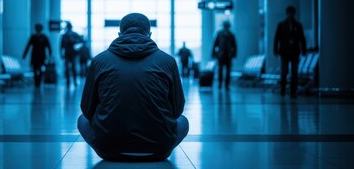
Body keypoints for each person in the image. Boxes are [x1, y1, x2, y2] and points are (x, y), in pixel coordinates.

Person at [78, 13, 188, 162]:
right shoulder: (168, 61)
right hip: (158, 149)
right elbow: (177, 111)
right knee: (183, 122)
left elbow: (87, 111)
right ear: (149, 34)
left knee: (81, 121)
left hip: (109, 149)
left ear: (119, 34)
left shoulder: (99, 61)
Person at [274, 5, 307, 98]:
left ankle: (293, 91)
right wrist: (275, 50)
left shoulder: (298, 25)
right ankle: (283, 90)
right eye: (289, 13)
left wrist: (304, 50)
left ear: (294, 14)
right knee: (284, 71)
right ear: (287, 13)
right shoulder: (281, 25)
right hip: (284, 51)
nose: (291, 15)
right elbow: (277, 38)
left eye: (292, 13)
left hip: (295, 52)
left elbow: (302, 38)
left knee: (294, 72)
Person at [23, 23, 52, 88]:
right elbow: (28, 46)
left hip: (42, 56)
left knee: (41, 69)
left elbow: (49, 47)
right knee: (35, 69)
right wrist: (24, 55)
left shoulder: (44, 37)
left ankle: (39, 81)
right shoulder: (33, 37)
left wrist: (49, 55)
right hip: (34, 56)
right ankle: (37, 82)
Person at [212, 20, 237, 90]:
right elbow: (215, 44)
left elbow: (234, 46)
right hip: (221, 56)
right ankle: (220, 84)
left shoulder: (231, 35)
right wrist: (214, 54)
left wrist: (233, 54)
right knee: (220, 70)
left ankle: (227, 85)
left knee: (228, 71)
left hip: (228, 56)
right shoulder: (219, 34)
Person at [60, 21, 81, 88]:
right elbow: (61, 45)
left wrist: (61, 53)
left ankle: (70, 82)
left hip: (69, 54)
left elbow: (61, 46)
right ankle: (71, 81)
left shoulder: (66, 35)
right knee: (71, 68)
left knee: (70, 68)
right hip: (71, 54)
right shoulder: (72, 35)